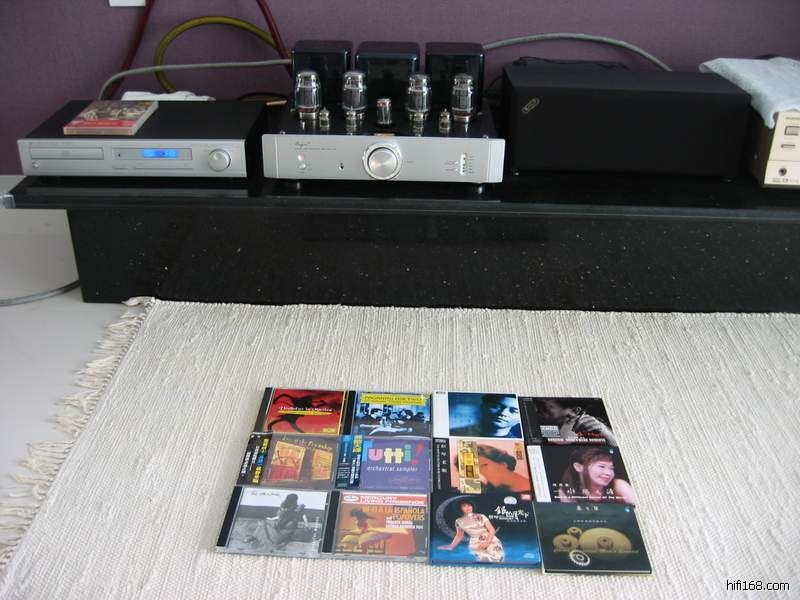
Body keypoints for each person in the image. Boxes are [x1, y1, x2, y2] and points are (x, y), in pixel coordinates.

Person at [557, 447, 637, 504]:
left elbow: (639, 507)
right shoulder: (567, 491)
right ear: (578, 467)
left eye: (611, 468)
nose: (608, 473)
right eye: (601, 466)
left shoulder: (618, 485)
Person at [437, 501, 504, 563]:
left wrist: (487, 542)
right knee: (483, 558)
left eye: (469, 505)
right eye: (464, 506)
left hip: (489, 538)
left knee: (497, 555)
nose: (468, 507)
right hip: (475, 542)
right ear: (460, 508)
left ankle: (497, 560)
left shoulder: (481, 516)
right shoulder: (459, 521)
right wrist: (451, 546)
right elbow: (459, 535)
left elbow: (492, 530)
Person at [536, 398, 618, 446]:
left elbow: (615, 444)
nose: (539, 410)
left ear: (575, 410)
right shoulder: (552, 428)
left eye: (548, 407)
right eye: (540, 407)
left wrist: (605, 432)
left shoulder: (592, 428)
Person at [450, 394, 522, 438]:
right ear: (483, 407)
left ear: (520, 419)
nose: (503, 413)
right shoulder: (453, 433)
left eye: (514, 411)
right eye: (496, 406)